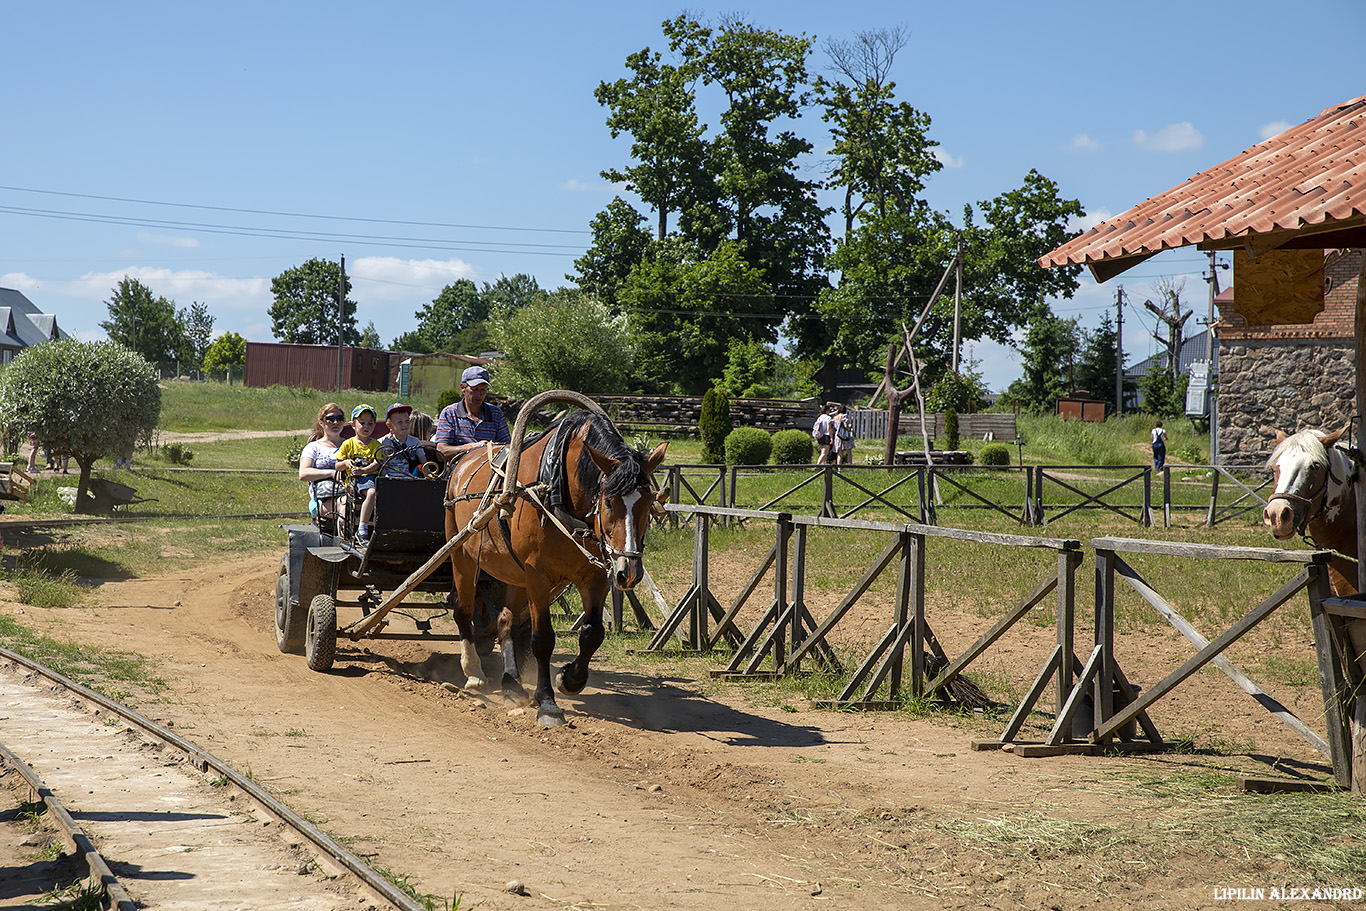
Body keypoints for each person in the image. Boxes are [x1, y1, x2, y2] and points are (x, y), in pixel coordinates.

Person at [434, 366, 511, 462]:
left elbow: (508, 448)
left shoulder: (496, 414)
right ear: (463, 387)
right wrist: (472, 447)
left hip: (490, 470)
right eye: (475, 389)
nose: (479, 394)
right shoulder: (449, 414)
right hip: (457, 471)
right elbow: (441, 453)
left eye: (483, 389)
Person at [336, 404, 382, 544]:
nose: (366, 426)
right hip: (356, 480)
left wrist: (364, 470)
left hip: (372, 476)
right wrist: (346, 464)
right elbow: (338, 465)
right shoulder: (348, 444)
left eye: (370, 423)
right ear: (353, 425)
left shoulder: (376, 445)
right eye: (362, 423)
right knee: (372, 492)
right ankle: (362, 529)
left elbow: (378, 463)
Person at [299, 403, 347, 527]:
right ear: (321, 422)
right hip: (322, 500)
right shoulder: (313, 447)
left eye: (340, 419)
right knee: (346, 504)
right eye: (330, 419)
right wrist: (331, 473)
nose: (335, 422)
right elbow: (303, 474)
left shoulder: (350, 445)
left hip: (348, 492)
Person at [377, 402, 436, 478]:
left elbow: (424, 462)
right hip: (392, 478)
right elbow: (383, 466)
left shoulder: (415, 441)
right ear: (389, 425)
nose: (404, 425)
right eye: (400, 422)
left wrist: (429, 475)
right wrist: (387, 477)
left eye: (407, 421)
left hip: (411, 478)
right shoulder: (384, 443)